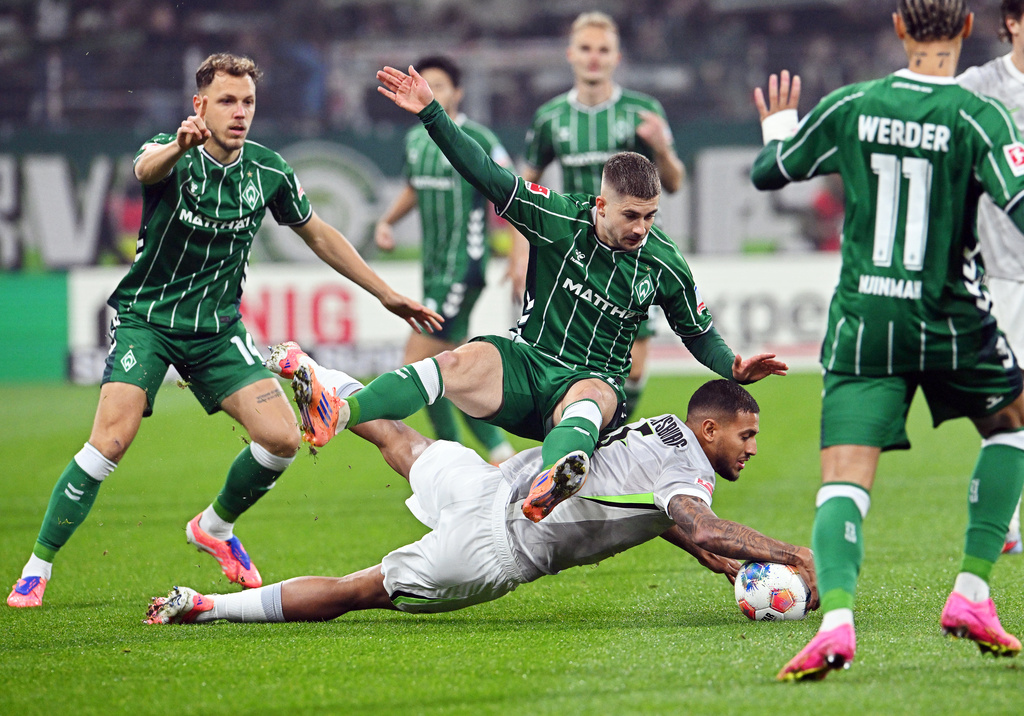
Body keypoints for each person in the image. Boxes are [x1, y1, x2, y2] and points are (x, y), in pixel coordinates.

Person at [6, 53, 442, 609]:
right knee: (109, 441)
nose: (239, 113)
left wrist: (384, 292)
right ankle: (37, 566)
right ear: (200, 106)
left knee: (283, 439)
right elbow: (144, 171)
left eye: (248, 102)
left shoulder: (268, 171)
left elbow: (319, 234)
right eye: (227, 101)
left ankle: (213, 526)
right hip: (149, 319)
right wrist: (179, 147)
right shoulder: (170, 155)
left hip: (216, 330)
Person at [310, 64, 786, 528]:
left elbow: (697, 331)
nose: (641, 228)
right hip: (528, 365)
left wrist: (731, 366)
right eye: (632, 215)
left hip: (593, 387)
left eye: (651, 216)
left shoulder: (663, 262)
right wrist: (433, 113)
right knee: (456, 362)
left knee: (587, 398)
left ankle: (552, 482)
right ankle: (339, 412)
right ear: (601, 205)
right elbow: (487, 174)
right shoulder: (558, 218)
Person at [751, 0, 1024, 681]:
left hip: (865, 320)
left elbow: (770, 170)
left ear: (899, 28)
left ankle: (837, 622)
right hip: (951, 314)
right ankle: (972, 593)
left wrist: (780, 125)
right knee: (1013, 426)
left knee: (843, 478)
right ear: (966, 29)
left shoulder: (852, 104)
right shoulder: (978, 115)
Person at [143, 352, 818, 627]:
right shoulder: (689, 472)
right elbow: (693, 519)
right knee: (360, 590)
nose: (753, 450)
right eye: (745, 437)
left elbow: (651, 505)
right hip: (495, 549)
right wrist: (792, 554)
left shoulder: (667, 429)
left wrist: (700, 552)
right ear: (710, 428)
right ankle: (206, 607)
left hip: (497, 483)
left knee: (399, 442)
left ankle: (314, 370)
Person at [518, 11, 687, 419]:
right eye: (586, 49)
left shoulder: (642, 111)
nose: (594, 58)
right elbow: (525, 187)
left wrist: (660, 149)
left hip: (635, 251)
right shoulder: (550, 118)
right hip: (578, 251)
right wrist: (518, 254)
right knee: (578, 356)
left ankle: (606, 433)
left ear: (617, 57)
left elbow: (676, 182)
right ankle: (579, 432)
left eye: (603, 50)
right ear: (570, 54)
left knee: (635, 361)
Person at [372, 55, 515, 465]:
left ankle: (449, 460)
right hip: (433, 272)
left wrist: (519, 254)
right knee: (450, 370)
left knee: (417, 364)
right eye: (425, 82)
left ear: (457, 92)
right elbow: (414, 189)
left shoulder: (480, 138)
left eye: (440, 85)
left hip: (462, 268)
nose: (431, 91)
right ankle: (499, 455)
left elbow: (511, 193)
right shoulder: (416, 141)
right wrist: (388, 221)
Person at [957, 0, 1024, 555]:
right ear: (1013, 23)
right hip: (1003, 273)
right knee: (1002, 405)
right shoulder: (979, 86)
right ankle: (1006, 517)